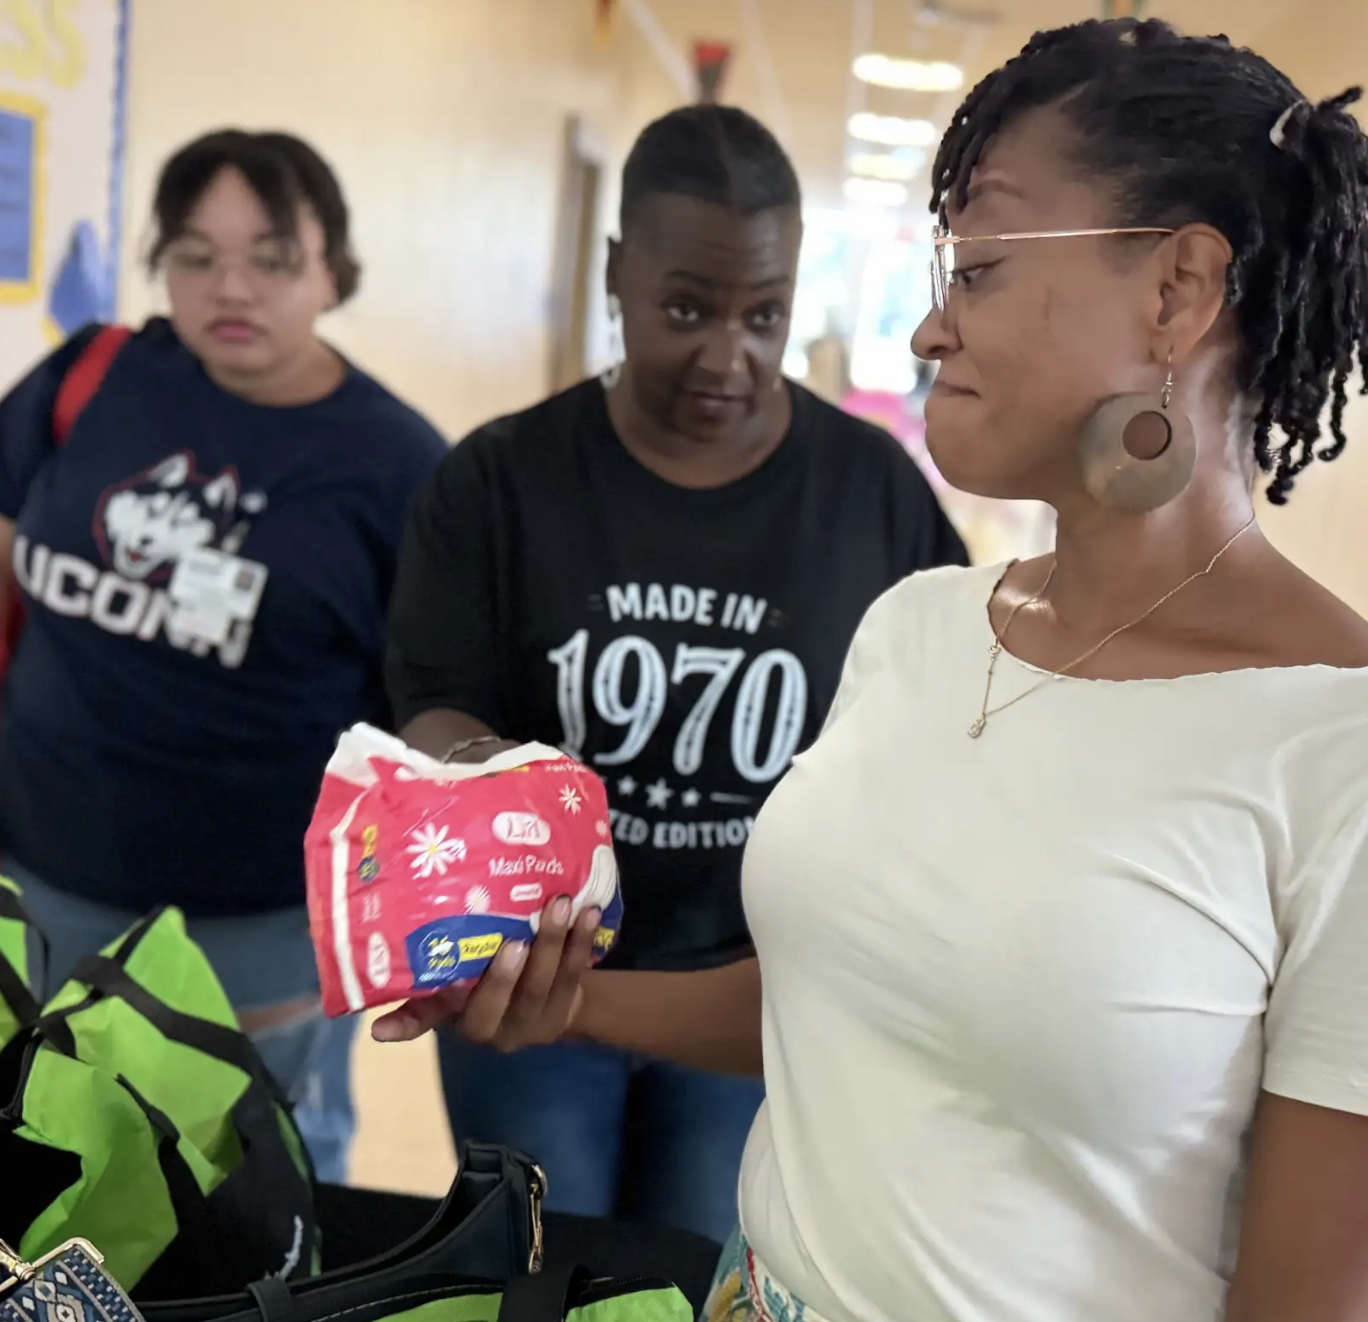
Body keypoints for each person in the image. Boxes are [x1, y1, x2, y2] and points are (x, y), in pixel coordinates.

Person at [376, 19, 1368, 1322]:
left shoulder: (1335, 750)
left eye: (982, 269)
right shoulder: (918, 627)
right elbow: (841, 990)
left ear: (1177, 292)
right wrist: (563, 1006)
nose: (927, 331)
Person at [383, 103, 967, 1244]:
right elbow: (431, 698)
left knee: (694, 1269)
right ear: (618, 273)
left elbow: (941, 715)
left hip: (746, 990)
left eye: (765, 315)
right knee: (541, 1270)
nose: (728, 355)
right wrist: (496, 774)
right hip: (530, 980)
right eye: (688, 309)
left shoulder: (873, 495)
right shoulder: (499, 479)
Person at [0, 129, 447, 1183]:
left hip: (250, 927)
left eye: (271, 258)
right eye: (195, 256)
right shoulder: (96, 377)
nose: (229, 288)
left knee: (240, 1193)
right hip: (36, 877)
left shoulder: (399, 465)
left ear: (332, 269)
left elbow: (429, 707)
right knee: (36, 1170)